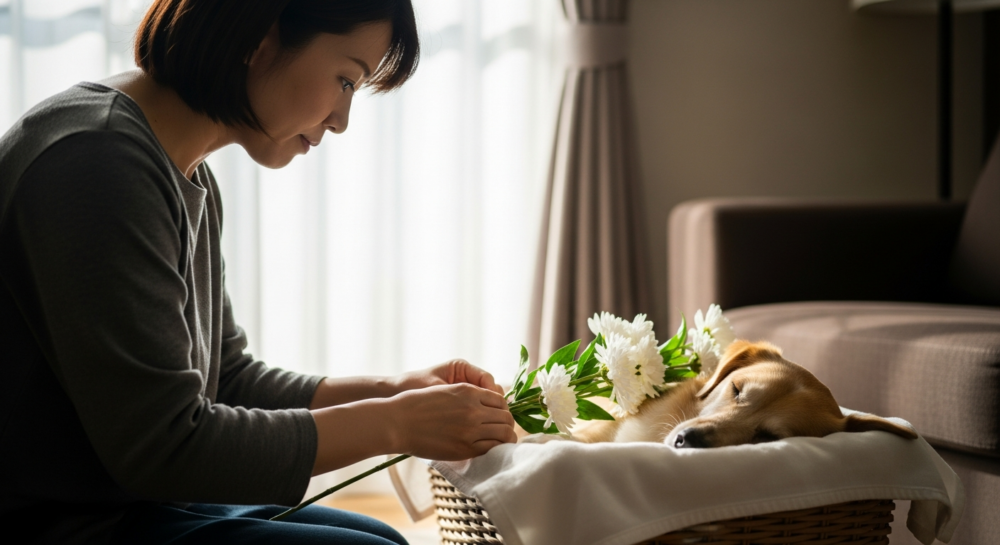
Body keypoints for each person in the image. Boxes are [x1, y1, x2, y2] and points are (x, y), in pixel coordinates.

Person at [0, 1, 518, 543]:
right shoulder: (97, 162)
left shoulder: (177, 165)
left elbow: (226, 379)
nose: (341, 121)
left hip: (131, 505)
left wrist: (393, 391)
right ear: (261, 39)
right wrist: (395, 424)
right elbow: (166, 447)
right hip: (61, 523)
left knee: (381, 539)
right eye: (346, 80)